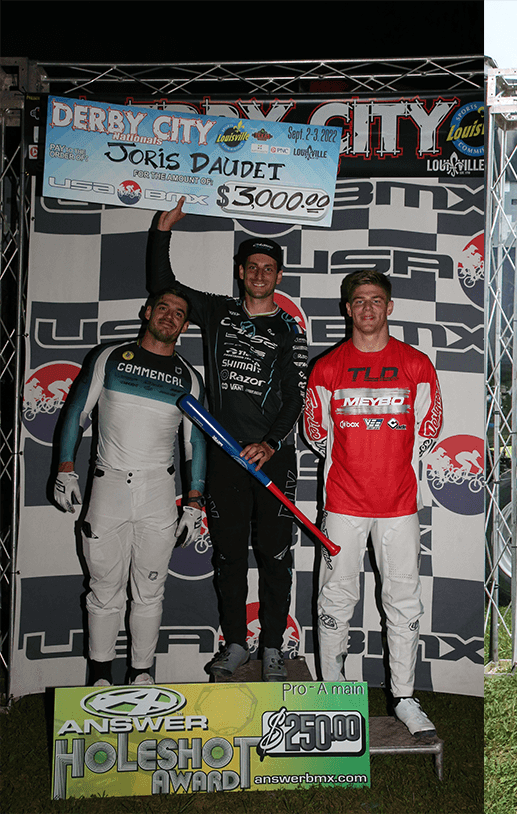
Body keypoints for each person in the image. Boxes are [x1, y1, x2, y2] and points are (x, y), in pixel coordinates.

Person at [147, 199, 308, 682]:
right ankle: (237, 643)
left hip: (272, 458)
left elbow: (295, 396)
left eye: (268, 268)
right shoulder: (218, 311)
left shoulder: (289, 330)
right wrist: (162, 231)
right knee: (229, 556)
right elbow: (163, 286)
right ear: (240, 272)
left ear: (278, 277)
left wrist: (272, 443)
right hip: (224, 456)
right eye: (252, 266)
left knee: (276, 556)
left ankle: (274, 646)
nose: (259, 274)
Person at [303, 269, 443, 737]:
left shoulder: (415, 363)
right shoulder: (327, 367)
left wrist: (391, 463)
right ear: (347, 309)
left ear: (389, 307)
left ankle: (403, 697)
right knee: (335, 598)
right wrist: (357, 459)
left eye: (376, 300)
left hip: (399, 506)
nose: (367, 308)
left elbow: (428, 428)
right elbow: (316, 433)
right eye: (359, 300)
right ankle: (333, 694)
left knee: (403, 601)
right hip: (343, 505)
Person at [54, 287, 207, 686]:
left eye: (179, 313)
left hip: (159, 492)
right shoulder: (109, 357)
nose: (169, 316)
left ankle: (141, 675)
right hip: (109, 488)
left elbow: (195, 443)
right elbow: (77, 411)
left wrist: (194, 501)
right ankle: (100, 678)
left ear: (185, 326)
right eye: (163, 308)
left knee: (150, 591)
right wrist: (65, 467)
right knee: (104, 589)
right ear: (146, 312)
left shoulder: (189, 378)